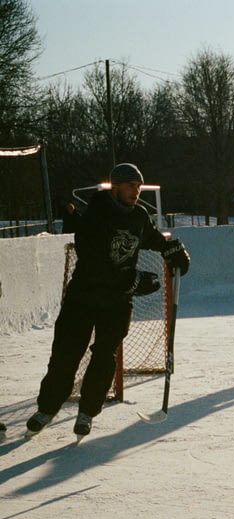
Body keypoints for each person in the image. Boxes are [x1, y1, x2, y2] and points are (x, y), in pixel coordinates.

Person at [26, 163, 191, 438]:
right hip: (83, 297)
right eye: (130, 186)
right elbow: (94, 262)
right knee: (66, 354)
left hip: (116, 302)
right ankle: (47, 408)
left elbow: (150, 237)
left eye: (138, 186)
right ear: (114, 187)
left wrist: (171, 248)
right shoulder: (94, 215)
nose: (136, 191)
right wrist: (132, 281)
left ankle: (87, 412)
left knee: (104, 356)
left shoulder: (139, 215)